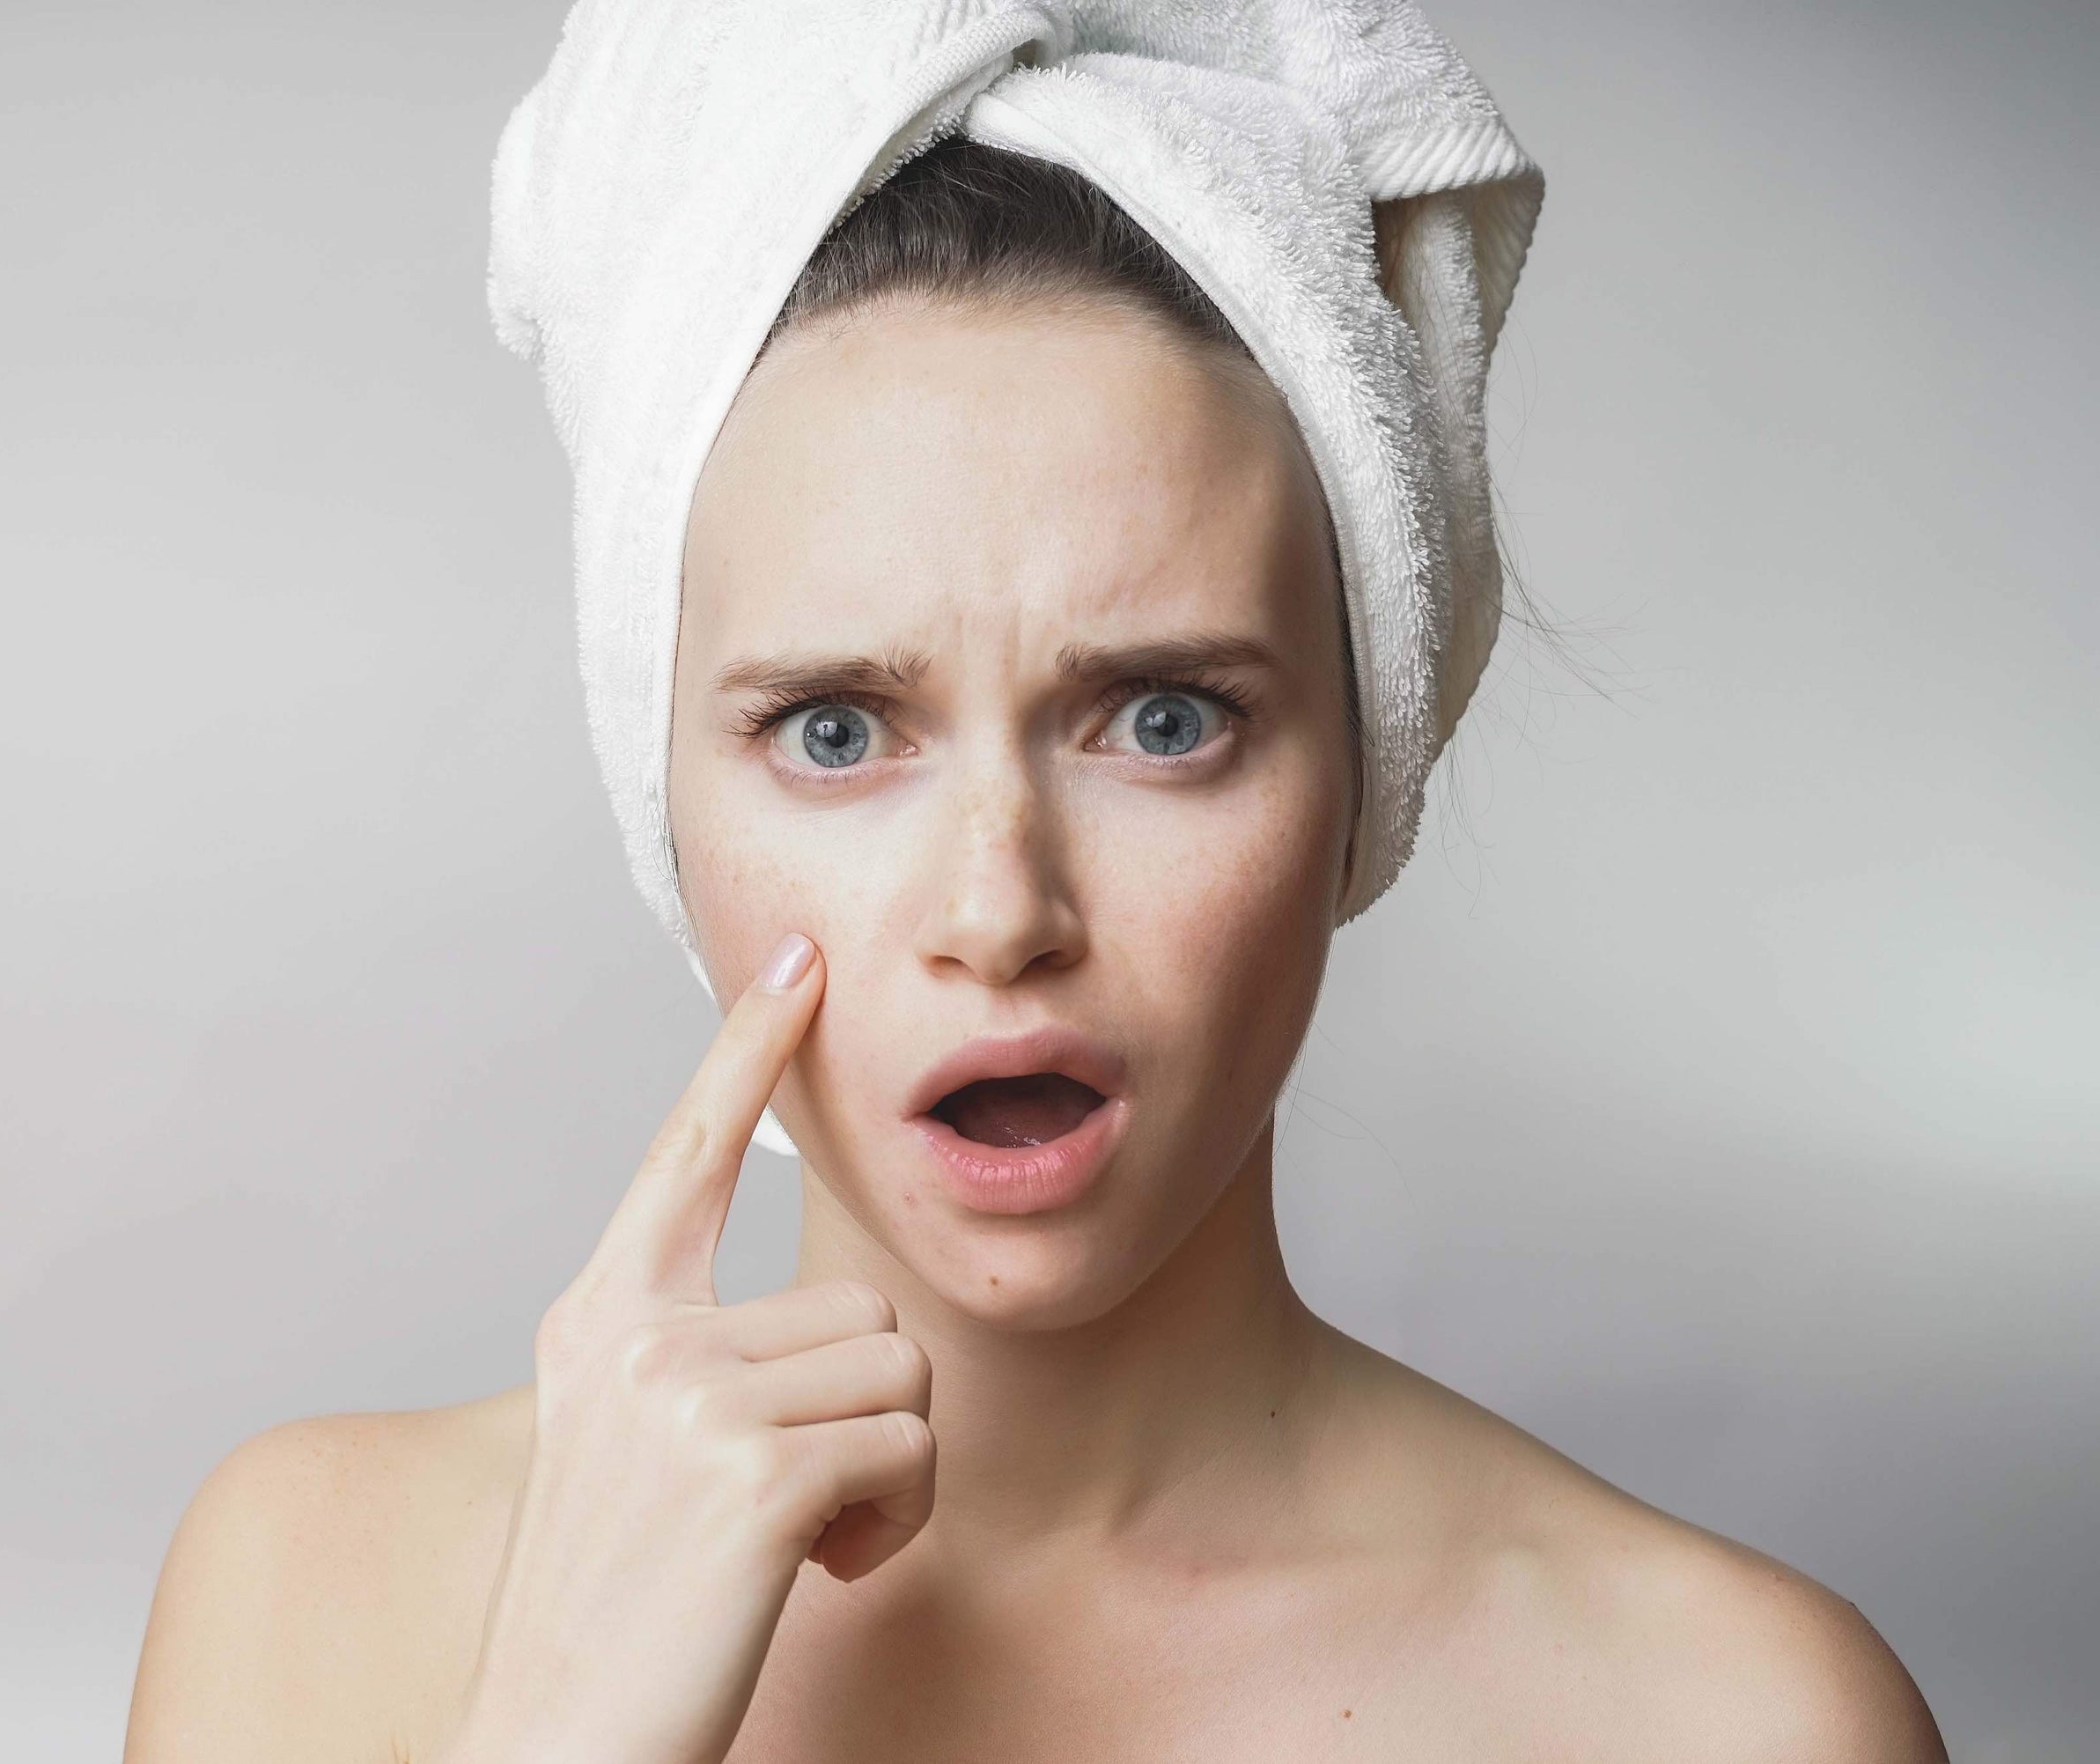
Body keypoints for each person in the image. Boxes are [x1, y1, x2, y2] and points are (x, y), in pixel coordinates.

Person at [122, 8, 1947, 1760]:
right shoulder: (316, 1591)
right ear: (660, 797)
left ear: (1364, 770)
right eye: (838, 734)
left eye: (1163, 720)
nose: (1001, 914)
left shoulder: (1732, 1719)